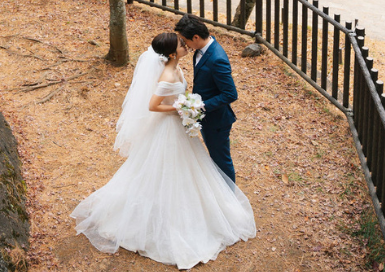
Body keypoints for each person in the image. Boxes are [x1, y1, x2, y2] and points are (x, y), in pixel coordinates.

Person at [71, 32, 255, 269]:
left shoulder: (176, 67)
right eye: (181, 45)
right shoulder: (168, 73)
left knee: (188, 169)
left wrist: (186, 105)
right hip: (168, 128)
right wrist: (180, 108)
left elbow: (180, 95)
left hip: (179, 126)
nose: (185, 46)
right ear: (171, 53)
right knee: (166, 169)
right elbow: (153, 105)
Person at [174, 14, 240, 183]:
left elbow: (230, 94)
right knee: (213, 159)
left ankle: (229, 199)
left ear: (195, 37)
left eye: (184, 40)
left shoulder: (217, 59)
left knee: (221, 161)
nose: (184, 44)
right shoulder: (200, 51)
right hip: (205, 117)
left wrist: (199, 106)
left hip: (217, 121)